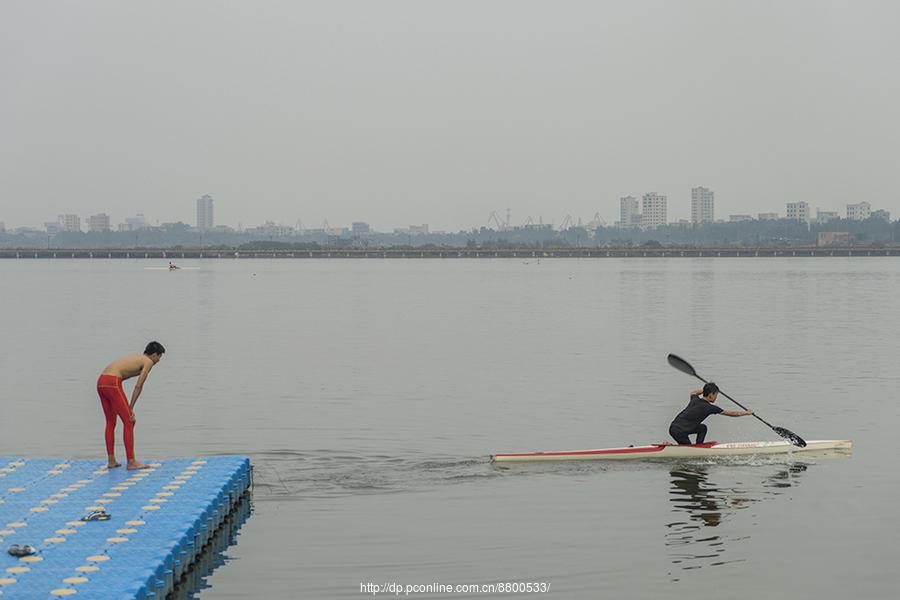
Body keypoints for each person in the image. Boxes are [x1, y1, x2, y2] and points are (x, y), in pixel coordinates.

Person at [96, 341, 165, 469]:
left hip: (101, 382)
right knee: (129, 421)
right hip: (112, 382)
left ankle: (111, 461)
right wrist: (130, 408)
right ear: (155, 354)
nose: (158, 361)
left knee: (110, 422)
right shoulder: (148, 362)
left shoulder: (136, 358)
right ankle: (131, 461)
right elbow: (139, 385)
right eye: (159, 357)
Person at [668, 382, 753, 445]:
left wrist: (705, 390)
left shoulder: (695, 399)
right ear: (711, 395)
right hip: (680, 431)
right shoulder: (709, 407)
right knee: (689, 452)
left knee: (702, 428)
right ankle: (695, 450)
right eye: (716, 394)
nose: (716, 397)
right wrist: (747, 413)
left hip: (674, 427)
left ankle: (699, 446)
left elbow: (693, 392)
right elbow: (732, 413)